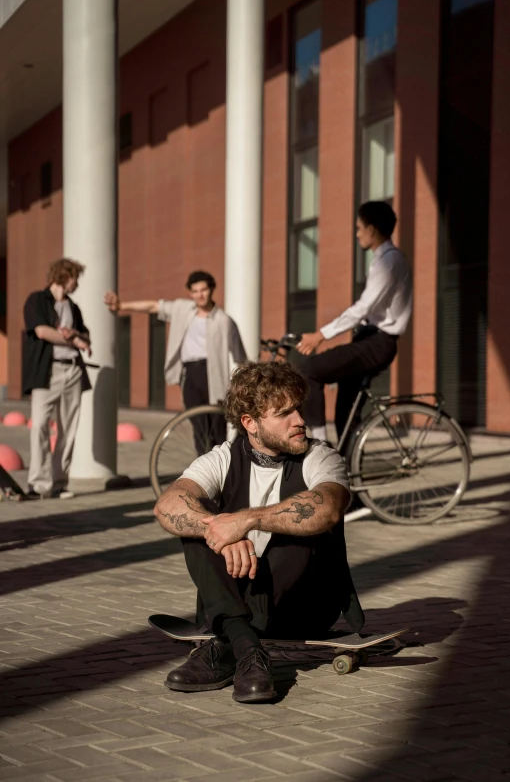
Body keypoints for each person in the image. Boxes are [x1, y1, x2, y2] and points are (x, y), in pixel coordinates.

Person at [154, 361, 364, 703]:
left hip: (300, 607)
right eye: (284, 413)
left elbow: (327, 508)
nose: (299, 420)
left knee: (298, 527)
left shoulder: (321, 457)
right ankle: (248, 649)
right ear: (250, 423)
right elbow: (167, 505)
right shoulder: (222, 458)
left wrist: (245, 520)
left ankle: (226, 644)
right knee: (199, 523)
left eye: (299, 408)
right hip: (237, 597)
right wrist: (218, 529)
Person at [296, 201, 412, 446]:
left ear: (371, 229)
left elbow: (362, 308)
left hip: (377, 341)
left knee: (308, 370)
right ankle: (347, 472)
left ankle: (318, 446)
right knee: (346, 414)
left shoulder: (388, 263)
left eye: (359, 228)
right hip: (370, 339)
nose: (357, 233)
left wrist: (320, 335)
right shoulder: (385, 260)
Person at [104, 271, 246, 452]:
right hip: (190, 373)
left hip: (214, 377)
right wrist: (121, 305)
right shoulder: (182, 309)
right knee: (199, 427)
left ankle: (222, 473)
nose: (199, 295)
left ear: (211, 290)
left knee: (218, 429)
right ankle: (205, 472)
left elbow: (240, 356)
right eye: (195, 291)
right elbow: (154, 307)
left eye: (203, 290)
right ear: (190, 294)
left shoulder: (224, 321)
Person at [23, 258, 92, 499]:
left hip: (73, 370)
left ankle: (58, 483)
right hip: (47, 372)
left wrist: (77, 335)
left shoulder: (73, 307)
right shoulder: (36, 300)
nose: (77, 284)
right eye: (76, 278)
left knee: (68, 429)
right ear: (64, 276)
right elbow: (41, 331)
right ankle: (38, 484)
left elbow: (87, 336)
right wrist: (75, 340)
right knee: (40, 425)